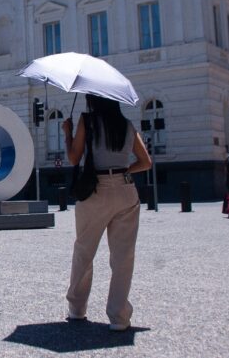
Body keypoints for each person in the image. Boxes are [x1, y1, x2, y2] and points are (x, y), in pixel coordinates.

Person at [61, 94, 152, 332]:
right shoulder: (126, 125)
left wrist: (67, 134)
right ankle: (118, 317)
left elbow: (73, 158)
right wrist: (124, 171)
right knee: (123, 256)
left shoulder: (87, 120)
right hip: (125, 190)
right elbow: (146, 162)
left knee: (84, 250)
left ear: (93, 99)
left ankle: (77, 308)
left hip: (96, 191)